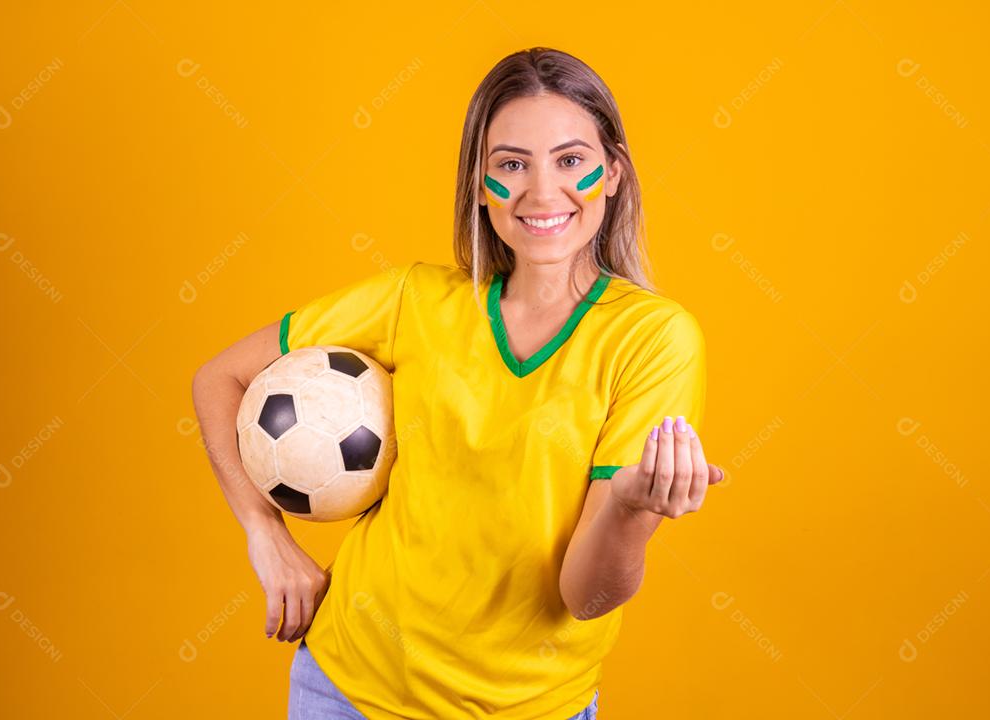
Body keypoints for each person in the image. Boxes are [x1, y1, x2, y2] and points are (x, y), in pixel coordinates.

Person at [192, 46, 723, 720]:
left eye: (571, 161)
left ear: (613, 172)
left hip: (526, 708)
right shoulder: (415, 300)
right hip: (347, 688)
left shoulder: (653, 340)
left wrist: (626, 509)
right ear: (479, 183)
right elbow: (220, 378)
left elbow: (584, 597)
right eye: (510, 164)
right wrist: (265, 536)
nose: (540, 191)